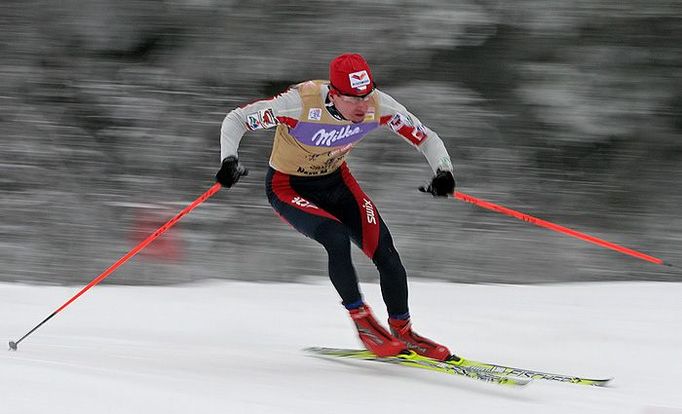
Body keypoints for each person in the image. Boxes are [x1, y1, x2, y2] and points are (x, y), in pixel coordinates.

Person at [216, 53, 456, 361]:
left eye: (367, 97)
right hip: (288, 187)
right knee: (335, 237)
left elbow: (427, 138)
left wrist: (443, 172)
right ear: (333, 93)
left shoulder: (380, 107)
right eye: (353, 99)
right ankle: (363, 321)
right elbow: (236, 120)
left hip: (337, 183)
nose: (362, 107)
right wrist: (229, 160)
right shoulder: (298, 104)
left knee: (386, 251)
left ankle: (403, 330)